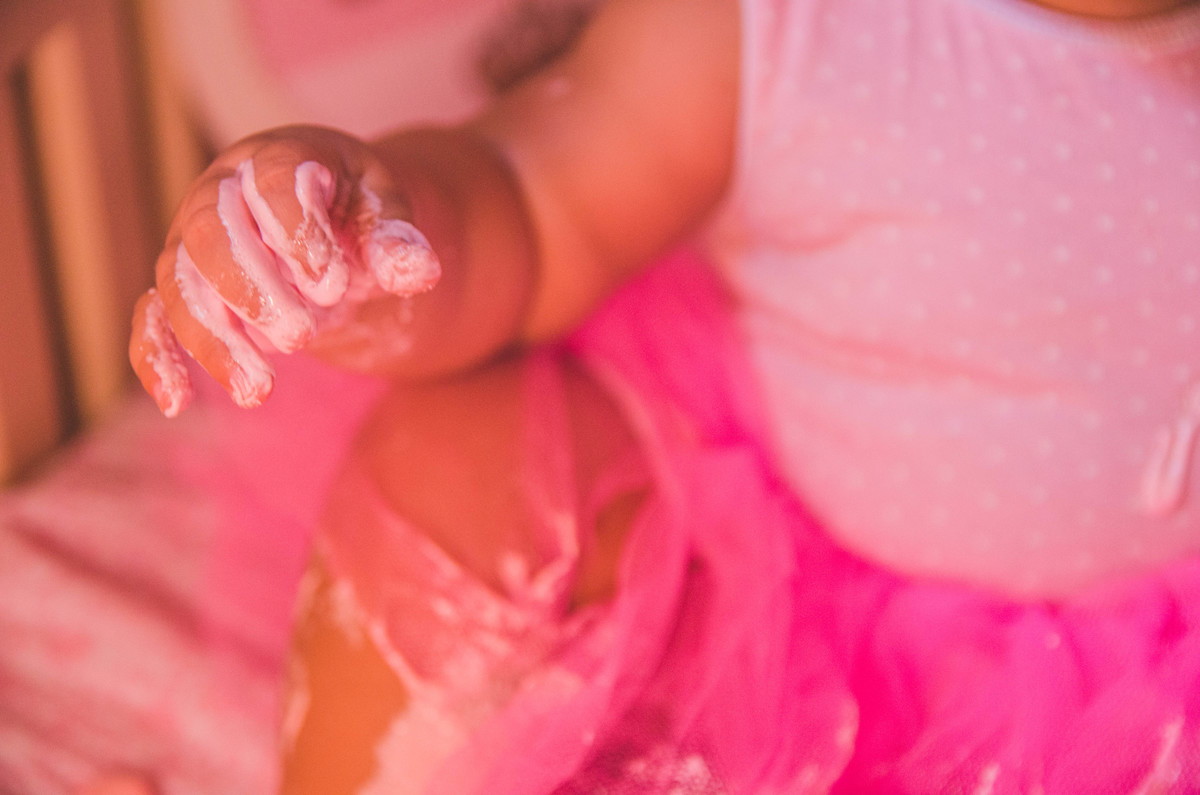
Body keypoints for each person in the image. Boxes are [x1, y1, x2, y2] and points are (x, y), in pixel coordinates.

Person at [126, 0, 1200, 791]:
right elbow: (527, 207)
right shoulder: (778, 29)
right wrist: (365, 234)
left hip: (1132, 690)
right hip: (773, 598)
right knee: (472, 451)